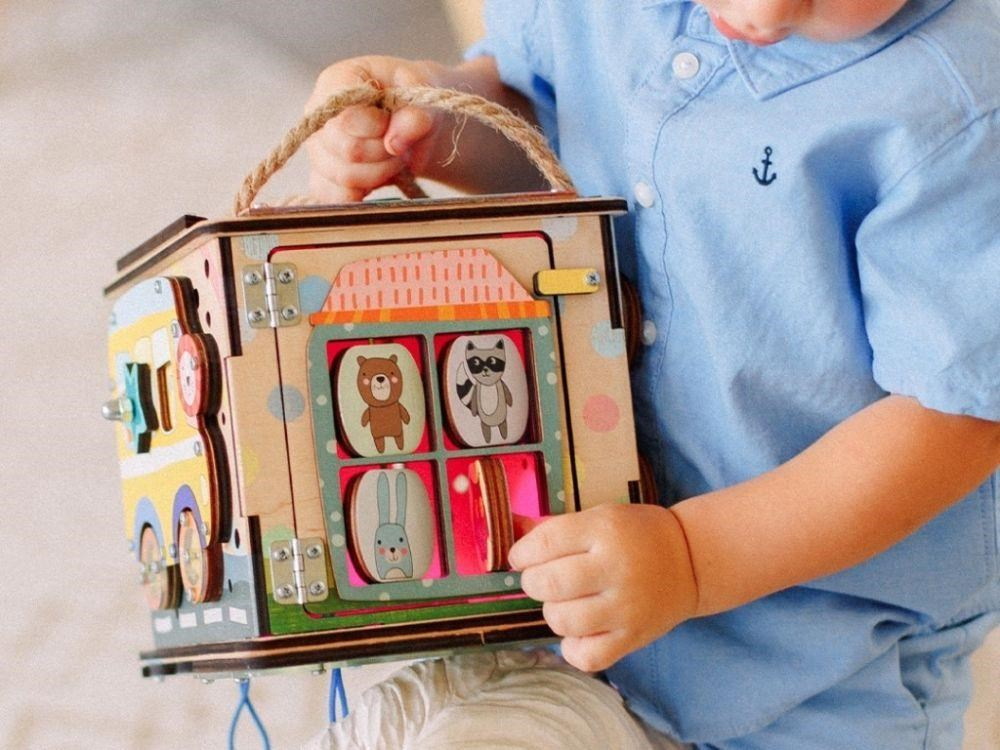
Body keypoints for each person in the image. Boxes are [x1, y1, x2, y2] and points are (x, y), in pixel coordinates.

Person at [303, 1, 1000, 747]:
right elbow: (544, 122)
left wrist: (694, 558)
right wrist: (434, 127)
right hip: (582, 597)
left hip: (822, 666)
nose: (764, 9)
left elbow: (954, 419)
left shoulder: (960, 103)